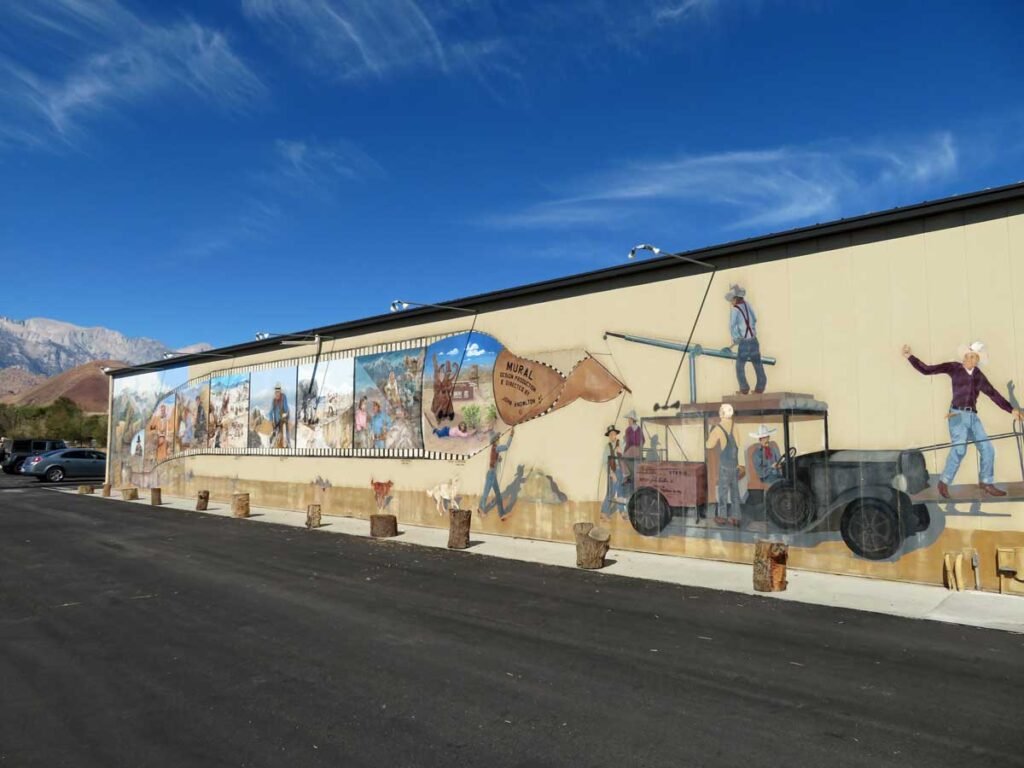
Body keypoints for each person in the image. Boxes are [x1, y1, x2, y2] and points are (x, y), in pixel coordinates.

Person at [903, 342, 1023, 498]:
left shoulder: (978, 375)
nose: (968, 358)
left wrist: (1011, 409)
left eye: (972, 357)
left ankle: (986, 482)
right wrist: (909, 356)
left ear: (977, 360)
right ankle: (943, 482)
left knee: (987, 449)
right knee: (959, 450)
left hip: (973, 417)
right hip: (957, 416)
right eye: (967, 355)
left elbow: (993, 394)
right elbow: (927, 370)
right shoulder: (954, 368)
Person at [725, 284, 767, 395]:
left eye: (731, 300)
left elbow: (731, 326)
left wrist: (736, 337)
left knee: (739, 366)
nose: (731, 302)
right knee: (757, 364)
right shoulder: (747, 305)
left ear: (735, 298)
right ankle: (760, 388)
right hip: (754, 340)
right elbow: (755, 319)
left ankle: (744, 388)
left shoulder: (735, 310)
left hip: (744, 342)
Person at [706, 403, 743, 526]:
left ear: (721, 414)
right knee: (735, 493)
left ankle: (722, 517)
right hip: (735, 465)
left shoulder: (718, 428)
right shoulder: (736, 427)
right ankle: (736, 518)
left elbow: (709, 445)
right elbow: (738, 444)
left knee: (722, 492)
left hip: (724, 466)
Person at [481, 428, 514, 517]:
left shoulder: (494, 448)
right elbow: (506, 447)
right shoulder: (497, 447)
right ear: (496, 440)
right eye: (498, 438)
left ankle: (501, 513)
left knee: (497, 495)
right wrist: (511, 436)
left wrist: (498, 459)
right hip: (491, 474)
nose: (499, 439)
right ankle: (483, 510)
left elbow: (494, 459)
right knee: (486, 494)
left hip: (492, 474)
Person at [601, 425, 626, 518]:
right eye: (610, 434)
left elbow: (625, 458)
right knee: (611, 492)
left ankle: (622, 512)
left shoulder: (621, 444)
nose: (612, 436)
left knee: (621, 492)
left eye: (613, 434)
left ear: (616, 434)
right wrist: (611, 474)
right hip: (613, 471)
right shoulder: (607, 447)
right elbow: (604, 462)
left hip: (621, 471)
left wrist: (621, 452)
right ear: (608, 436)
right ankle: (604, 512)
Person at [268, 383, 291, 449]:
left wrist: (285, 415)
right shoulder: (274, 400)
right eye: (276, 392)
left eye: (278, 391)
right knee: (274, 437)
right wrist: (271, 421)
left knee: (285, 435)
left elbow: (286, 409)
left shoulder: (284, 397)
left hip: (283, 421)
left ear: (280, 391)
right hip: (276, 423)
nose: (277, 393)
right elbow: (270, 412)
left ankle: (288, 444)